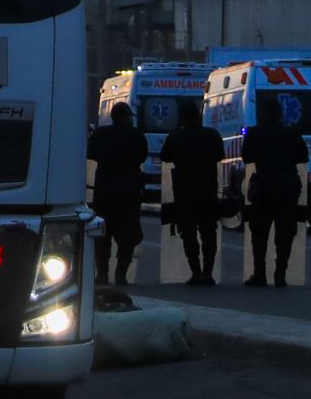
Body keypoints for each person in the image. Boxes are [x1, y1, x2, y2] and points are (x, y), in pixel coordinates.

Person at [242, 95, 309, 287]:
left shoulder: (254, 133)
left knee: (259, 234)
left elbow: (246, 158)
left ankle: (260, 273)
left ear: (262, 113)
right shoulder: (292, 133)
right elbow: (302, 157)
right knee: (285, 234)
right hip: (288, 188)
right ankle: (280, 273)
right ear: (280, 114)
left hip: (264, 188)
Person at [160, 100, 226, 286]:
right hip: (208, 190)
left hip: (184, 192)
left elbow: (165, 157)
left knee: (188, 233)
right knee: (208, 233)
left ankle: (196, 271)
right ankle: (208, 272)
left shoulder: (176, 137)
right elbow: (220, 156)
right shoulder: (212, 134)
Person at [87, 102, 148, 286]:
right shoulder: (136, 135)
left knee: (103, 236)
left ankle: (102, 274)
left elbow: (91, 154)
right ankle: (121, 273)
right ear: (125, 116)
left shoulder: (100, 134)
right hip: (129, 192)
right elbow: (142, 156)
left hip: (104, 191)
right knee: (127, 236)